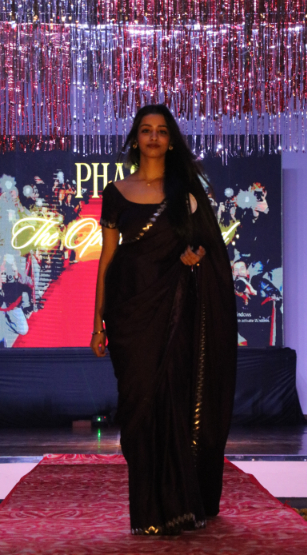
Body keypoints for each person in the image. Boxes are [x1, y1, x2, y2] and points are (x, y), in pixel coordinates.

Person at [90, 104, 237, 536]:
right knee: (136, 408)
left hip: (174, 312)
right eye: (145, 130)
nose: (153, 137)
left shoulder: (185, 193)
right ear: (135, 138)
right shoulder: (116, 192)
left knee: (172, 401)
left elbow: (206, 248)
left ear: (170, 141)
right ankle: (148, 506)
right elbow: (107, 259)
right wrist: (98, 322)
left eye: (161, 131)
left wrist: (195, 257)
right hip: (128, 312)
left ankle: (174, 506)